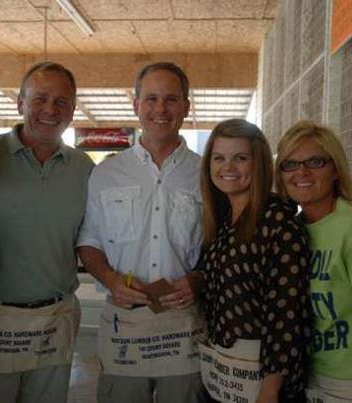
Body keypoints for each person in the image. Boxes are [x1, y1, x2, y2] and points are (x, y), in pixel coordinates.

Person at [0, 62, 94, 403]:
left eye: (62, 101)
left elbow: (91, 238)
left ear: (73, 108)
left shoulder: (84, 169)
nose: (51, 110)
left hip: (57, 317)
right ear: (20, 103)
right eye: (40, 99)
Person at [77, 62, 207, 403]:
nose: (160, 109)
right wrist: (109, 278)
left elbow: (219, 246)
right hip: (124, 325)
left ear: (186, 107)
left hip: (183, 325)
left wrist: (198, 277)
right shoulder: (106, 174)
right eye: (151, 99)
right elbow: (88, 242)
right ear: (136, 106)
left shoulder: (206, 174)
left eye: (171, 99)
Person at [198, 119, 309, 403]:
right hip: (223, 373)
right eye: (219, 158)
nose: (228, 167)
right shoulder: (222, 220)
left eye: (240, 158)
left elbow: (287, 311)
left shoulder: (277, 220)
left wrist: (270, 389)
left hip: (263, 382)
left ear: (258, 163)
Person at [275, 121, 352, 401]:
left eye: (315, 162)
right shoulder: (290, 231)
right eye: (290, 165)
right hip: (304, 376)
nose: (302, 172)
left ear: (335, 169)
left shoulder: (348, 227)